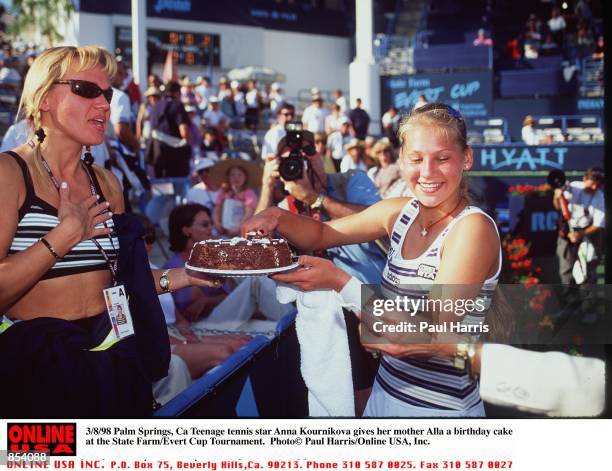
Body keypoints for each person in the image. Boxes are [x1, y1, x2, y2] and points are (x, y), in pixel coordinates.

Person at [0, 45, 222, 417]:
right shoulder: (10, 174)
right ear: (45, 98)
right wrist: (63, 236)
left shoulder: (107, 183)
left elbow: (122, 281)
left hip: (114, 360)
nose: (104, 105)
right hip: (39, 372)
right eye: (87, 90)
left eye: (108, 93)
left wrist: (187, 276)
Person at [243, 103, 503, 417]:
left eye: (443, 158)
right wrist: (276, 216)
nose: (428, 172)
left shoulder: (471, 228)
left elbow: (434, 334)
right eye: (416, 159)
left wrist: (341, 283)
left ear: (467, 158)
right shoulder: (400, 211)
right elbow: (321, 234)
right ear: (402, 158)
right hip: (383, 401)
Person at [163, 204, 232, 325]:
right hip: (198, 326)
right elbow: (192, 305)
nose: (211, 228)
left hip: (222, 318)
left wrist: (205, 301)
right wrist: (205, 302)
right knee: (255, 285)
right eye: (205, 225)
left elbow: (231, 296)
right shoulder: (172, 268)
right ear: (186, 230)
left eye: (211, 224)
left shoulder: (212, 258)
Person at [553, 166, 604, 285]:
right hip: (567, 232)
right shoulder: (573, 187)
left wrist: (580, 234)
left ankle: (589, 300)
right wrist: (556, 196)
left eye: (598, 185)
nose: (595, 187)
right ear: (585, 178)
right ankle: (569, 300)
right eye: (593, 184)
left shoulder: (600, 198)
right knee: (566, 270)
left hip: (588, 234)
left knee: (588, 270)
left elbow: (598, 224)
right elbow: (558, 206)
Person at [147, 80, 191, 177]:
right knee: (177, 189)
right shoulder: (177, 105)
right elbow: (184, 131)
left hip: (155, 153)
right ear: (177, 93)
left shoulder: (155, 106)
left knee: (159, 188)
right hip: (174, 157)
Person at [211, 159, 261, 237]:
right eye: (232, 175)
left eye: (239, 175)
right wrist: (217, 223)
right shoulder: (223, 192)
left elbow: (249, 213)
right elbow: (216, 209)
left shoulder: (249, 193)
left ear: (245, 177)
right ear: (228, 177)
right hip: (223, 230)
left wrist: (237, 229)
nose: (236, 178)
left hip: (241, 231)